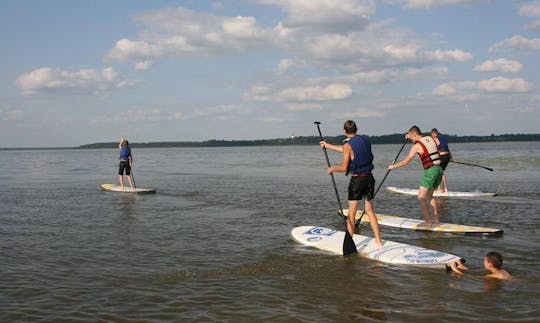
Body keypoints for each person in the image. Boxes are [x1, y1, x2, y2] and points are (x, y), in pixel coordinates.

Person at [320, 120, 383, 247]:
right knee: (369, 210)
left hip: (357, 181)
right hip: (369, 178)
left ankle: (349, 242)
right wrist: (328, 145)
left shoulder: (348, 145)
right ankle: (378, 240)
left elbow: (344, 167)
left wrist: (333, 169)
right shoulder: (365, 139)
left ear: (344, 131)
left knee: (352, 213)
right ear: (356, 129)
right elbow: (348, 150)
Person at [388, 125, 442, 226]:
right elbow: (436, 144)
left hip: (430, 171)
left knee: (420, 197)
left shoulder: (416, 146)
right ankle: (436, 220)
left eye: (411, 137)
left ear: (415, 134)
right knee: (430, 196)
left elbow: (406, 162)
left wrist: (393, 166)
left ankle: (428, 221)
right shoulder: (430, 138)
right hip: (439, 169)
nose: (410, 139)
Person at [448, 251, 513, 280]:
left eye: (485, 260)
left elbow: (469, 277)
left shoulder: (493, 276)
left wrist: (455, 269)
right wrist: (461, 266)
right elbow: (473, 272)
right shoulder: (502, 270)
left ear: (490, 264)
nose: (483, 262)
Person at [430, 128, 453, 193]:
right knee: (441, 172)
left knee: (439, 172)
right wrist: (452, 158)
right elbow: (448, 149)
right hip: (447, 156)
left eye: (431, 135)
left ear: (433, 134)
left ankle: (440, 189)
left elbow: (435, 148)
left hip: (442, 156)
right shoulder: (444, 138)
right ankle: (445, 189)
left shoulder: (435, 138)